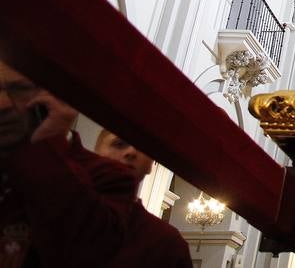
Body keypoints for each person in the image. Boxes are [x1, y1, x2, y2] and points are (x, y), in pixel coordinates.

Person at [0, 58, 191, 267]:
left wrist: (47, 141)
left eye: (18, 89)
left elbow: (83, 246)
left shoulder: (162, 240)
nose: (4, 103)